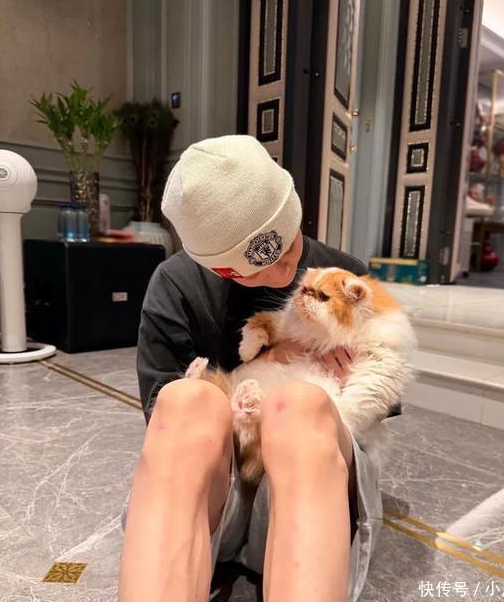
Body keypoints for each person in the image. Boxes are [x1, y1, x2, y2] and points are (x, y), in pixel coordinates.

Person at [118, 135, 387, 602]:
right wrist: (272, 360)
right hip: (215, 496)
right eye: (259, 269)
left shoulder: (343, 274)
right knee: (184, 402)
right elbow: (164, 425)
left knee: (298, 408)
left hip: (312, 489)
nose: (285, 272)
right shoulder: (177, 283)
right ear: (220, 270)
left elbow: (381, 400)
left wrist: (350, 378)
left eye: (290, 247)